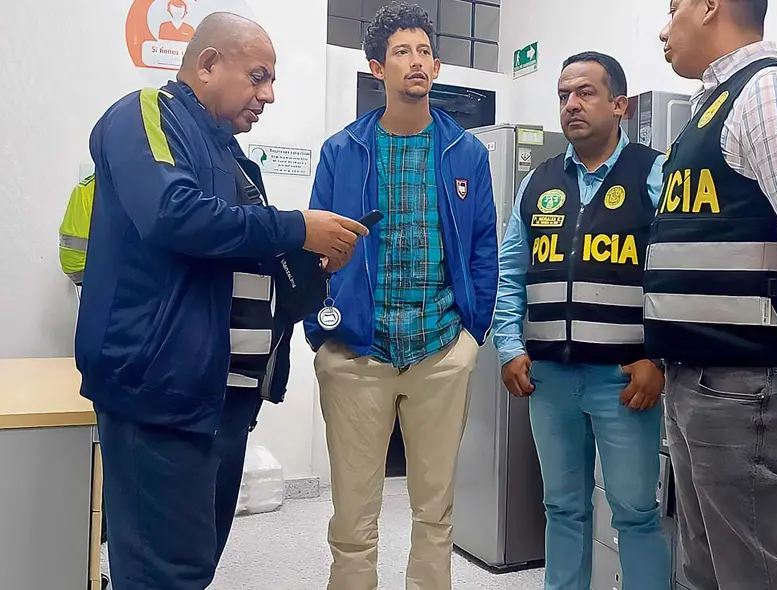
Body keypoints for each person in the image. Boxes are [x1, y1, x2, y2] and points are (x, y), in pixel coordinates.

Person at [77, 12, 368, 590]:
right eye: (258, 76)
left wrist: (311, 258)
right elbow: (172, 214)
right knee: (163, 574)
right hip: (159, 392)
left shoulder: (232, 157)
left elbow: (237, 253)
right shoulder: (146, 114)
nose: (269, 94)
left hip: (221, 399)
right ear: (207, 63)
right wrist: (295, 228)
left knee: (193, 566)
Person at [646, 1, 777, 589]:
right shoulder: (712, 107)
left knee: (752, 577)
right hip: (700, 378)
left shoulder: (772, 93)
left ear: (711, 6)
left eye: (674, 9)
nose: (664, 29)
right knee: (705, 572)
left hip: (748, 386)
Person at [303, 4, 498, 589]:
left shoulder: (467, 152)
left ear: (436, 66)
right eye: (401, 53)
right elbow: (312, 249)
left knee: (434, 514)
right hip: (357, 354)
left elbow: (485, 246)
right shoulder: (343, 151)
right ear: (376, 69)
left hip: (441, 350)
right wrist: (323, 335)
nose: (415, 62)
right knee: (354, 522)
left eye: (423, 52)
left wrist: (471, 335)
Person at [493, 51, 672, 590]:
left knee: (636, 513)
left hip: (623, 380)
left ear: (619, 104)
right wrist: (508, 345)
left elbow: (673, 272)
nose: (572, 104)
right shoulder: (539, 182)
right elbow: (510, 271)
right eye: (564, 94)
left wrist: (657, 355)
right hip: (548, 378)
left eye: (586, 93)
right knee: (563, 509)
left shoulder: (654, 172)